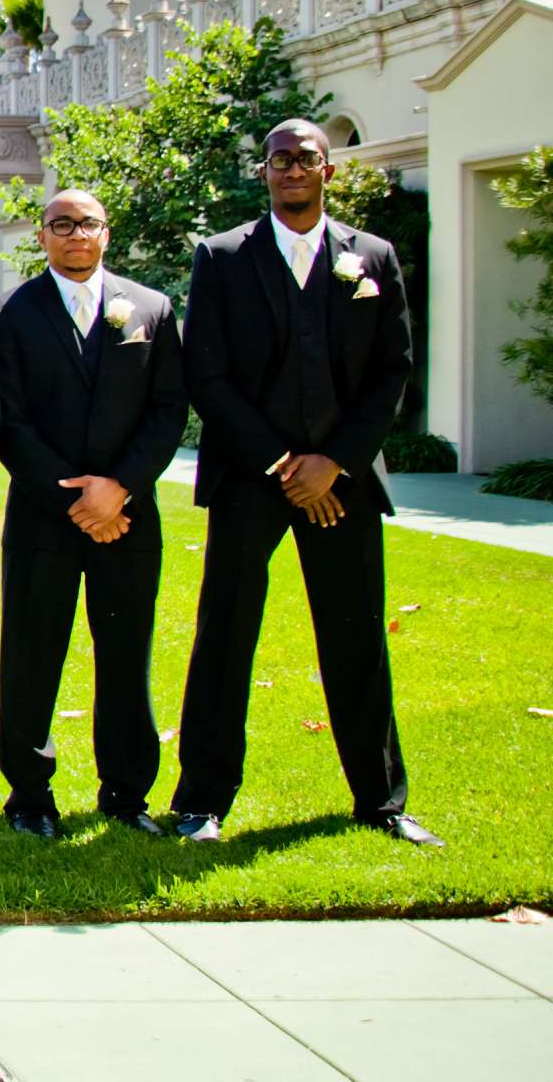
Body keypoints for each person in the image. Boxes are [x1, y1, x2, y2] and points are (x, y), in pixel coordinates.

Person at [169, 120, 438, 846]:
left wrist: (334, 462)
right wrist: (284, 464)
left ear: (328, 170)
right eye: (280, 159)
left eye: (306, 158)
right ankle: (201, 801)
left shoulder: (372, 256)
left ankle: (381, 801)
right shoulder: (222, 257)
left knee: (355, 634)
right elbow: (208, 374)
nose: (293, 169)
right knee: (225, 634)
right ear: (264, 171)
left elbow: (393, 369)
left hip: (343, 482)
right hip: (251, 478)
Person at [0, 189, 187, 838]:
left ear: (106, 233)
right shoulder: (14, 313)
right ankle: (30, 796)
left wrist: (119, 487)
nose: (75, 234)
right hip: (46, 516)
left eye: (87, 224)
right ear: (42, 236)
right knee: (32, 653)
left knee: (126, 652)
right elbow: (7, 420)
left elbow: (168, 411)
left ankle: (126, 794)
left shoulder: (151, 309)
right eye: (61, 224)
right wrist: (76, 499)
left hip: (129, 518)